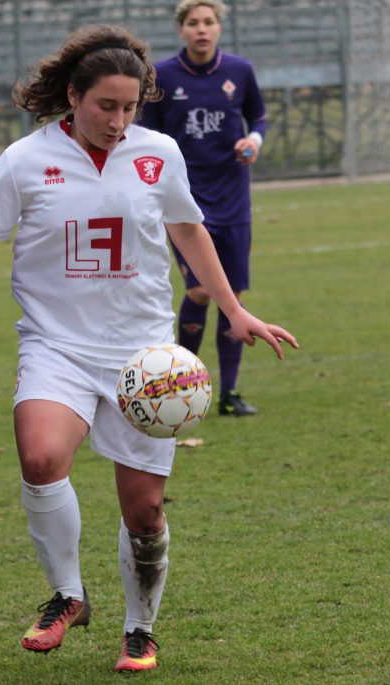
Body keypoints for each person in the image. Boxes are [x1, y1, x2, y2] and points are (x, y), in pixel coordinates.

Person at [0, 24, 298, 673]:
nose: (119, 121)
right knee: (41, 456)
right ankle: (67, 594)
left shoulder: (158, 152)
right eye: (106, 106)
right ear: (73, 96)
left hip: (145, 355)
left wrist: (234, 311)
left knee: (145, 507)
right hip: (56, 344)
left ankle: (139, 626)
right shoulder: (25, 158)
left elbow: (189, 230)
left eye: (129, 107)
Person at [139, 0, 268, 417]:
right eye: (193, 23)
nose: (201, 29)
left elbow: (259, 118)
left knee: (234, 294)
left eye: (208, 22)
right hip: (184, 198)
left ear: (218, 28)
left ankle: (229, 393)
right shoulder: (163, 76)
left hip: (233, 196)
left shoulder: (240, 71)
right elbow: (146, 132)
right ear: (181, 30)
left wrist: (254, 142)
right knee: (199, 290)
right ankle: (181, 385)